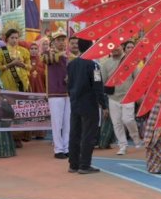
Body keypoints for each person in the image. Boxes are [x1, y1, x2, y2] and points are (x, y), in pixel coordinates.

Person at [66, 38, 107, 174]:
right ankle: (84, 165)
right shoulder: (93, 66)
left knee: (75, 133)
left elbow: (68, 84)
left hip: (75, 102)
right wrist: (103, 104)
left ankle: (73, 164)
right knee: (88, 134)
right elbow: (97, 87)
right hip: (89, 104)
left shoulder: (71, 65)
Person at [100, 42, 140, 155]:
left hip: (128, 97)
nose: (115, 48)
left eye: (117, 45)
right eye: (112, 46)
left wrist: (138, 95)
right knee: (117, 123)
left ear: (121, 47)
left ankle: (136, 138)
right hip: (113, 98)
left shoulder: (130, 61)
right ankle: (122, 145)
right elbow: (103, 81)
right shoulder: (106, 64)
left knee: (128, 120)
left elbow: (137, 78)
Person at [0, 29, 31, 148]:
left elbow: (30, 67)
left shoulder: (24, 51)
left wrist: (23, 65)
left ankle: (18, 136)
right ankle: (9, 136)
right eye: (12, 38)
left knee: (20, 111)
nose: (15, 40)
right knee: (9, 111)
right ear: (7, 38)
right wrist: (11, 64)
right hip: (8, 85)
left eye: (16, 37)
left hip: (22, 85)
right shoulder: (2, 52)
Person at [45, 31, 71, 159]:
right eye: (59, 40)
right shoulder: (48, 53)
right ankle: (58, 149)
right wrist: (61, 54)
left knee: (67, 122)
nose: (61, 42)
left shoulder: (68, 56)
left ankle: (66, 148)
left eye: (63, 40)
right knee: (57, 123)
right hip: (55, 92)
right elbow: (46, 59)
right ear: (53, 42)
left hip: (68, 92)